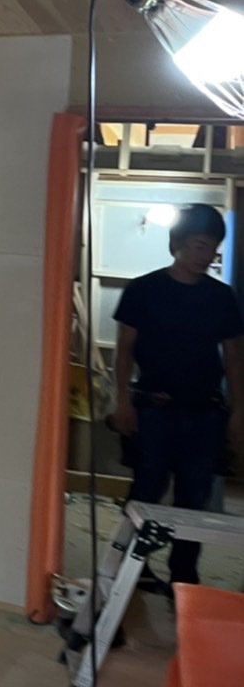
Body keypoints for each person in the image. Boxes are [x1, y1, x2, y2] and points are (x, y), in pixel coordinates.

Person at [113, 203, 244, 586]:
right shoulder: (143, 290)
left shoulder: (221, 296)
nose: (207, 256)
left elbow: (233, 356)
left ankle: (183, 575)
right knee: (146, 493)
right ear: (178, 244)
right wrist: (121, 401)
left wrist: (239, 410)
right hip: (154, 409)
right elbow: (124, 351)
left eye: (213, 248)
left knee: (193, 499)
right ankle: (130, 569)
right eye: (201, 246)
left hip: (204, 413)